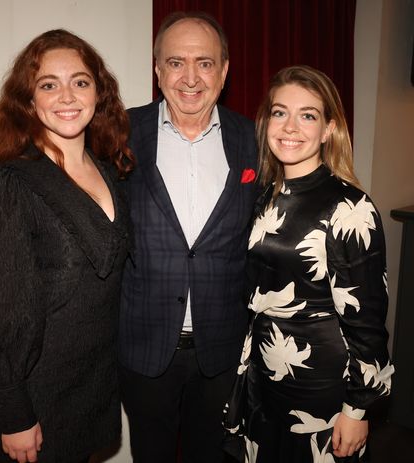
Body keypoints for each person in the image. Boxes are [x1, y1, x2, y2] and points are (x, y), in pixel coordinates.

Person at [0, 29, 134, 463]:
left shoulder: (111, 175)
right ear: (29, 100)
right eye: (49, 84)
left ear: (99, 94)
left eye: (80, 82)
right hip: (34, 404)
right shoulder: (3, 187)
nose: (66, 95)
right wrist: (13, 412)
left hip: (90, 394)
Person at [223, 65, 394, 462]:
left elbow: (367, 321)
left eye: (308, 115)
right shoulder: (265, 194)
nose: (291, 127)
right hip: (264, 377)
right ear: (266, 121)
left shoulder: (350, 207)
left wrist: (357, 409)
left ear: (328, 128)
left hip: (321, 388)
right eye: (280, 112)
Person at [118, 11, 258, 463]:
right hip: (145, 350)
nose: (191, 78)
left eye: (205, 62)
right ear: (158, 71)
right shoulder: (118, 135)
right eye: (176, 63)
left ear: (225, 70)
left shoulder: (255, 140)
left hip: (222, 351)